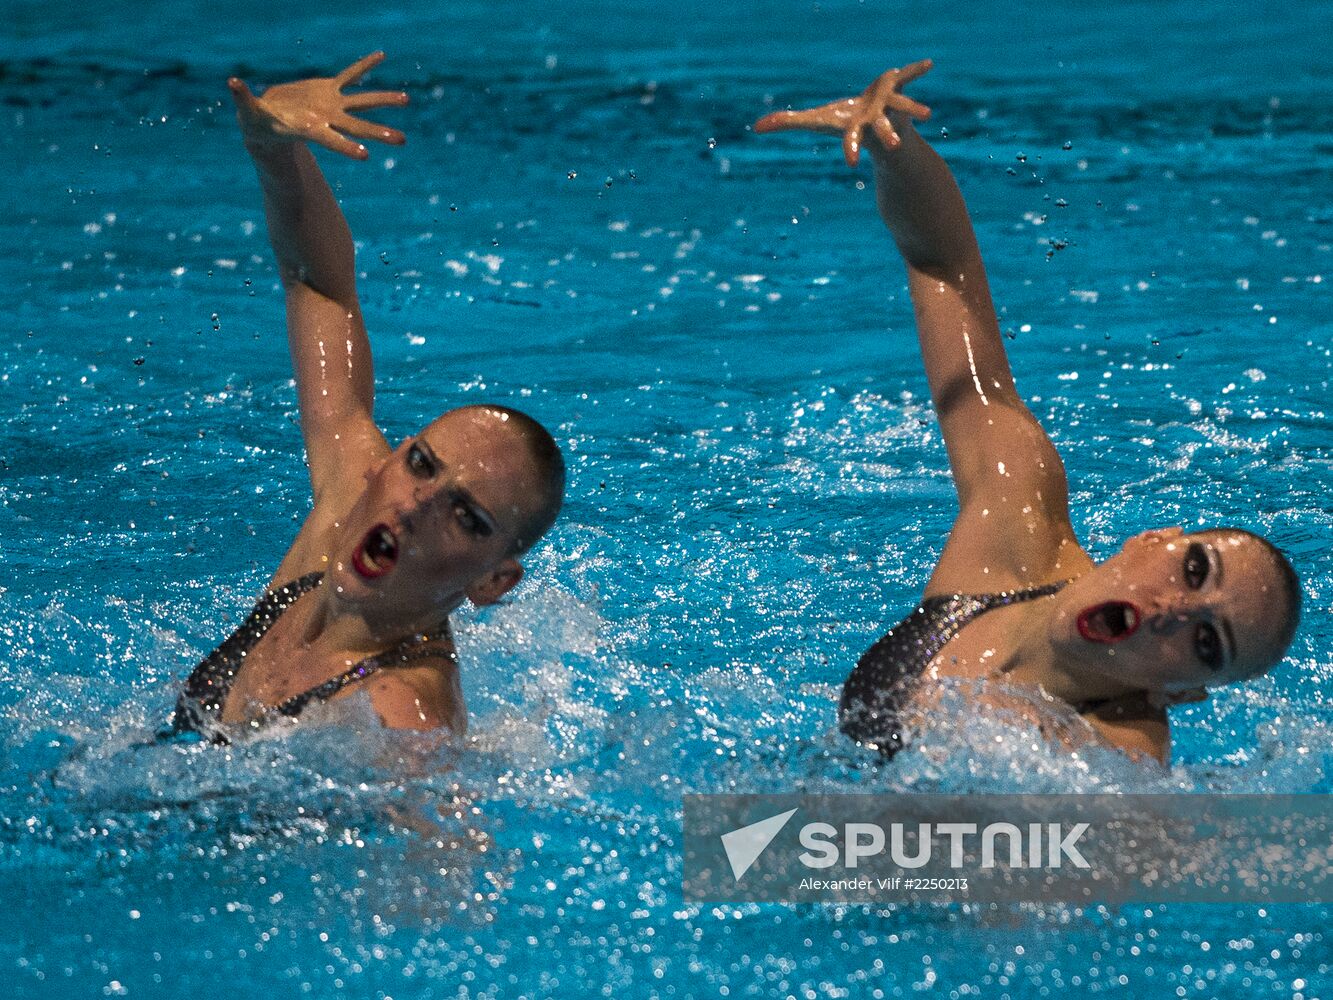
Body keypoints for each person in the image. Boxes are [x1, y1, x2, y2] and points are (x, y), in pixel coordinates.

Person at [754, 61, 1301, 764]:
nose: (1172, 610)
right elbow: (941, 265)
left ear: (1179, 693)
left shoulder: (1114, 759)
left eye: (1205, 642)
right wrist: (895, 147)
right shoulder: (1015, 520)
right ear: (1151, 539)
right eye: (1194, 570)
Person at [166, 53, 564, 742]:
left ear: (493, 583)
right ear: (389, 459)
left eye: (466, 517)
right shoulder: (351, 499)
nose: (414, 505)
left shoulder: (400, 721)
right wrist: (272, 148)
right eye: (422, 464)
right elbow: (319, 284)